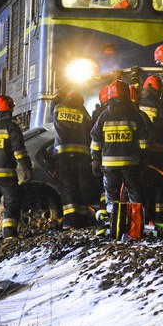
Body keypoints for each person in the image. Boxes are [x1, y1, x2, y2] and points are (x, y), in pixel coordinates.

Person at [90, 80, 148, 217]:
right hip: (131, 164)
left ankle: (113, 223)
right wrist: (143, 159)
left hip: (109, 166)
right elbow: (143, 142)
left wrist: (95, 160)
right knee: (134, 194)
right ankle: (136, 223)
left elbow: (95, 138)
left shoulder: (103, 116)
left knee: (111, 197)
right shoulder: (135, 115)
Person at [0, 95, 33, 244]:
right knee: (11, 201)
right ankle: (9, 235)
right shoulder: (12, 126)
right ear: (9, 108)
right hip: (6, 173)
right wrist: (27, 167)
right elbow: (19, 151)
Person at [52, 91, 96, 229]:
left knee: (68, 188)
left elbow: (52, 106)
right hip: (82, 155)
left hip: (63, 154)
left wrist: (59, 97)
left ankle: (70, 221)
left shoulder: (58, 108)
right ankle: (81, 220)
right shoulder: (83, 112)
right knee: (82, 187)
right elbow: (90, 131)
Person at [139, 75, 163, 223]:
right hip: (159, 154)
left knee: (143, 186)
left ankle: (145, 218)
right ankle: (161, 219)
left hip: (143, 153)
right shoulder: (161, 106)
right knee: (160, 187)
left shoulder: (138, 104)